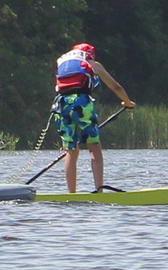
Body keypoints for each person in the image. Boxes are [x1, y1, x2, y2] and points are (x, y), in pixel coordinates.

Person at [53, 41, 137, 193]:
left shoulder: (62, 63)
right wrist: (127, 102)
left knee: (71, 151)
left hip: (60, 104)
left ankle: (72, 194)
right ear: (90, 54)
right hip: (81, 102)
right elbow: (116, 86)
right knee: (94, 148)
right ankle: (99, 191)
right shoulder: (92, 63)